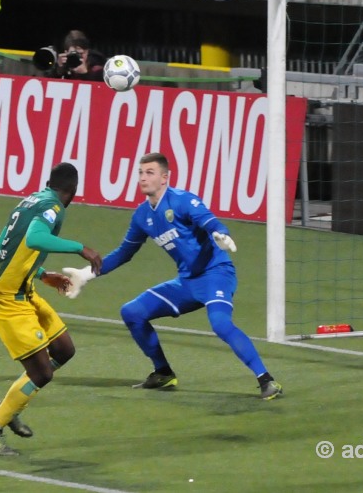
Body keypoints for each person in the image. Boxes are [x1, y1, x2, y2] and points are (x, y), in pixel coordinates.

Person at [66, 153, 283, 399]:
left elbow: (209, 221)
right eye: (140, 172)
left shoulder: (182, 201)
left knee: (221, 324)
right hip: (187, 282)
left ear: (164, 178)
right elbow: (124, 253)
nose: (143, 178)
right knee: (132, 312)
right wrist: (86, 274)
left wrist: (220, 234)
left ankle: (266, 379)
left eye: (149, 172)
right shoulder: (141, 216)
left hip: (216, 274)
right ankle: (163, 372)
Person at [0, 162, 102, 456]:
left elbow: (2, 247)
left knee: (64, 350)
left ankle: (8, 405)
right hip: (6, 299)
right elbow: (33, 238)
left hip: (24, 290)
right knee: (42, 373)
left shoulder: (30, 200)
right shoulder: (54, 207)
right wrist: (81, 248)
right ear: (73, 191)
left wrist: (42, 273)